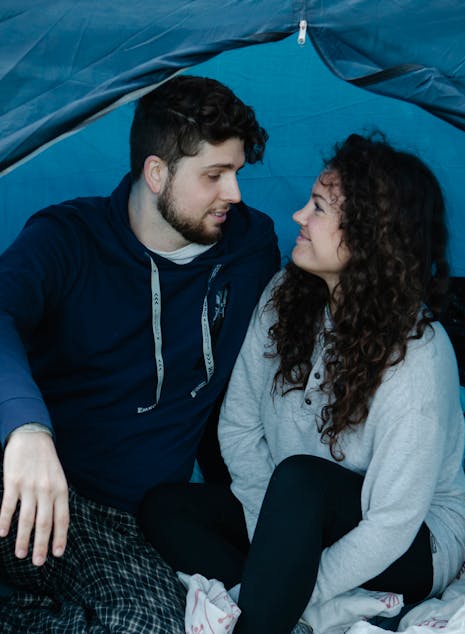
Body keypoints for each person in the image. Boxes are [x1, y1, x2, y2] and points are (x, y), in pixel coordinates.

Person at [139, 133, 465, 634]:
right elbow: (239, 424)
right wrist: (268, 539)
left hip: (412, 540)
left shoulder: (420, 356)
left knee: (301, 479)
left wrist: (298, 588)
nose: (298, 216)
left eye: (317, 207)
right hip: (288, 512)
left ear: (367, 237)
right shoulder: (285, 296)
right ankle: (281, 611)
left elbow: (391, 524)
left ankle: (263, 619)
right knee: (164, 508)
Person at [0, 74, 279, 629]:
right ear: (157, 173)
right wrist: (26, 429)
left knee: (150, 624)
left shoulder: (249, 248)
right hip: (24, 483)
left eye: (238, 173)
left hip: (121, 521)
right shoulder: (68, 238)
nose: (236, 194)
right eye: (215, 176)